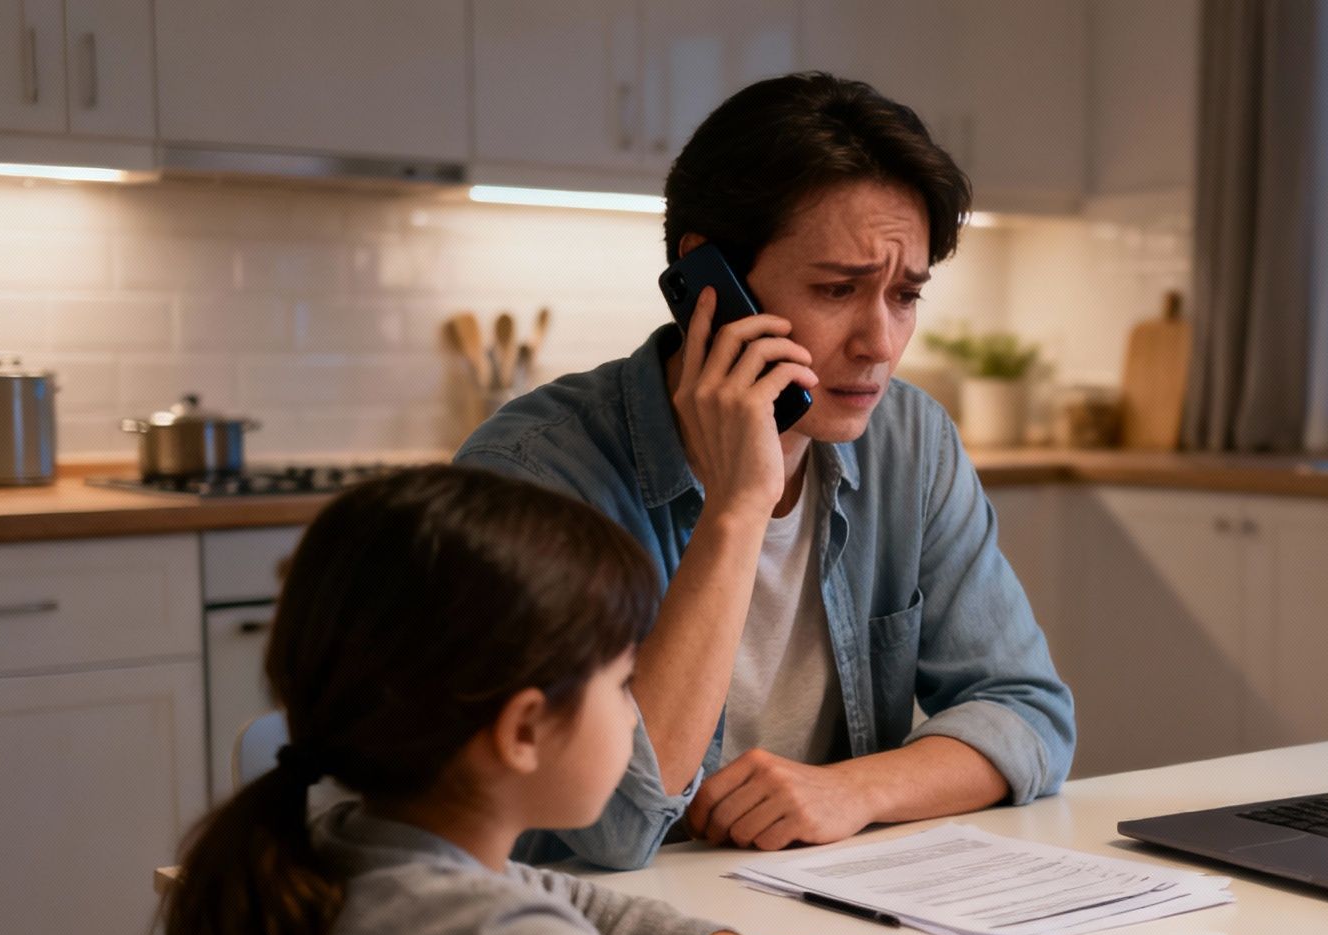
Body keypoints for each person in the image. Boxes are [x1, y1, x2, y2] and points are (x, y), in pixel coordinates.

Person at [136, 466, 919, 935]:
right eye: (621, 683)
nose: (635, 710)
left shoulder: (337, 851)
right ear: (522, 731)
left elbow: (537, 892)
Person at [456, 72, 1074, 870]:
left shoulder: (910, 440)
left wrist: (855, 791)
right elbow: (610, 826)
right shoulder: (531, 474)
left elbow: (1029, 714)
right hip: (587, 934)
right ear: (710, 282)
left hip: (809, 904)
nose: (880, 344)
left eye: (905, 296)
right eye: (837, 289)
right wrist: (737, 511)